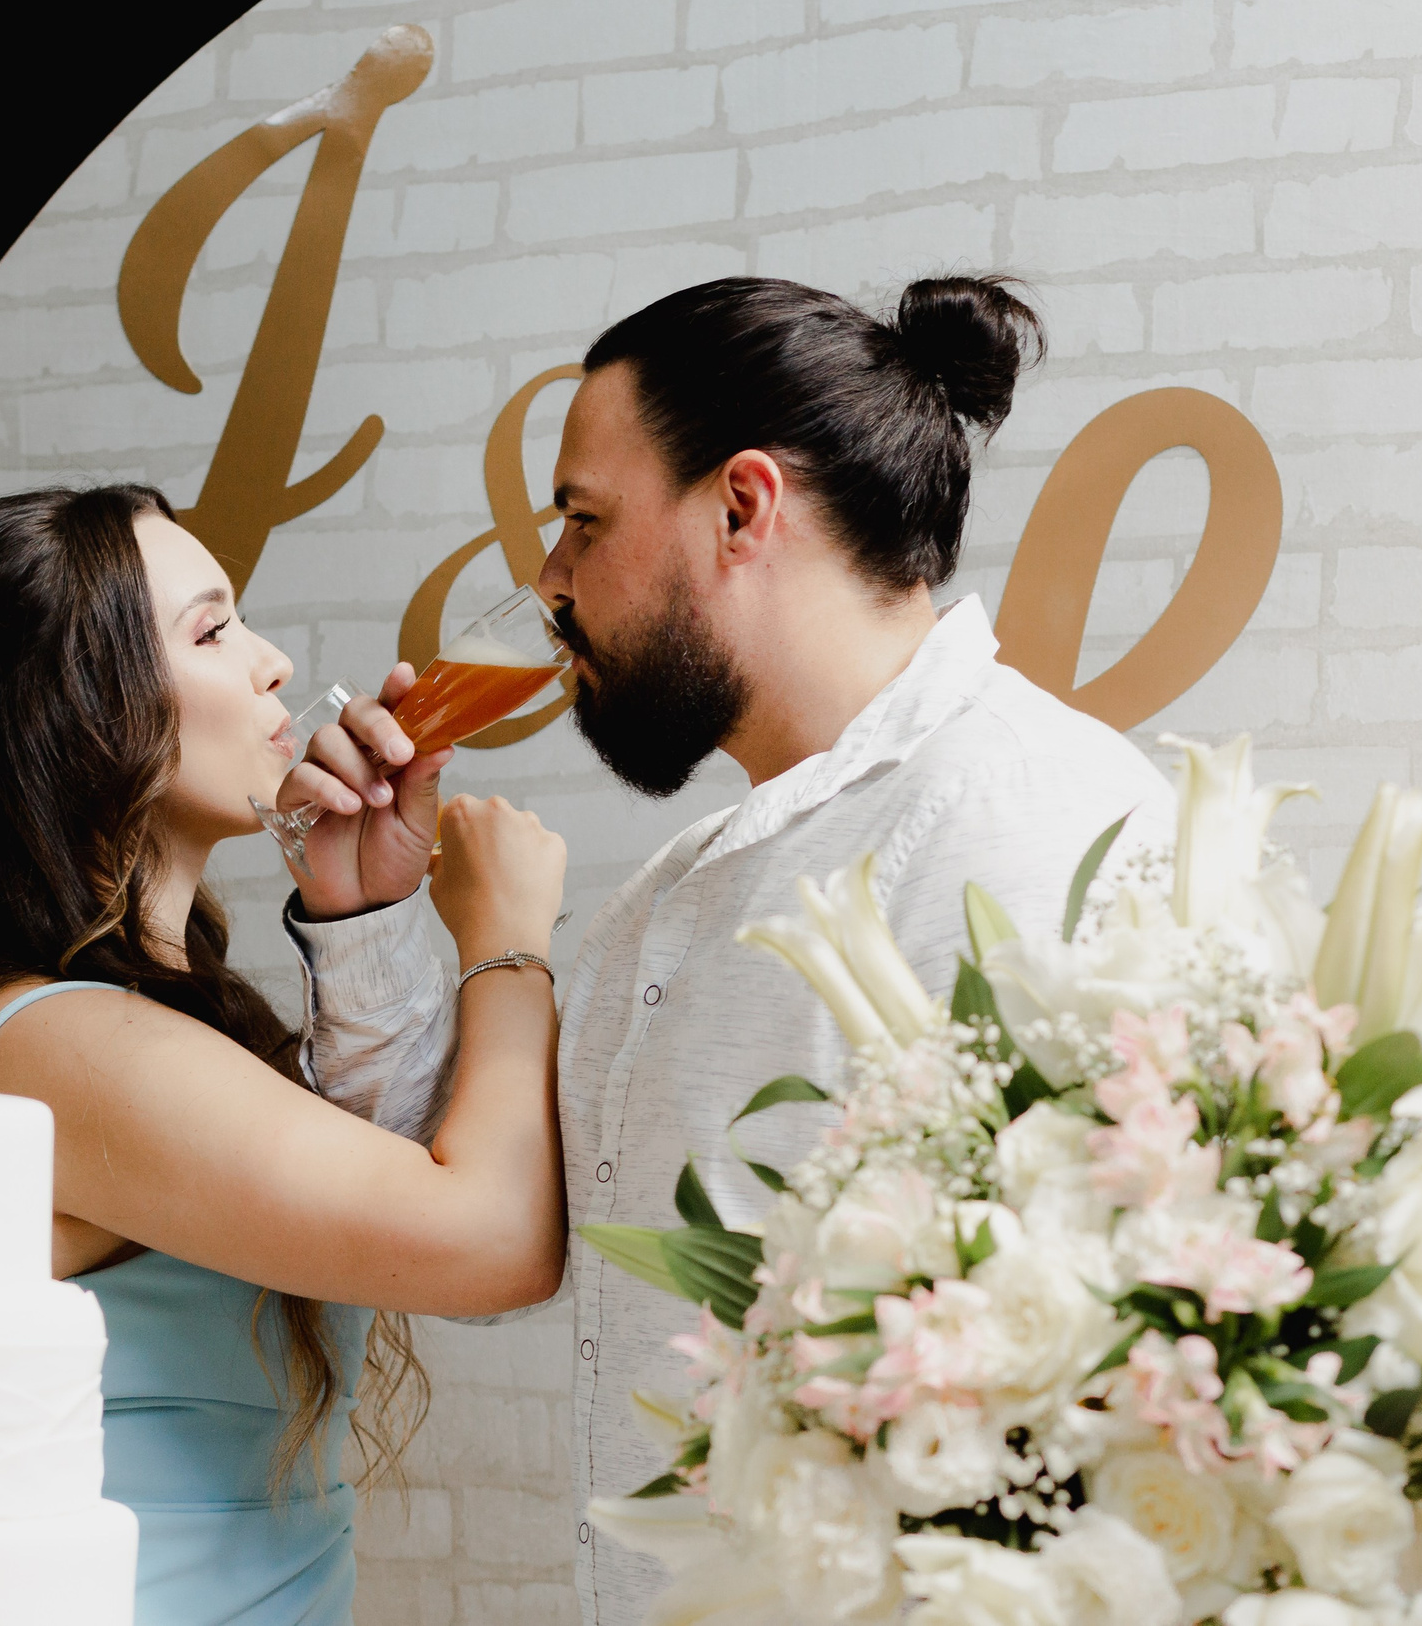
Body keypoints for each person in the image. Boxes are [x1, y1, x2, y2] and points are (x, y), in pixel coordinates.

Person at [276, 275, 1178, 1626]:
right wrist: (366, 912)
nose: (550, 582)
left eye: (582, 520)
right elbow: (470, 1238)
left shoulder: (1027, 823)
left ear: (744, 507)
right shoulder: (676, 895)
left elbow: (1128, 1393)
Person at [0, 484, 569, 1626]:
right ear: (81, 711)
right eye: (212, 631)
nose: (272, 662)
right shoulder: (59, 1044)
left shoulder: (118, 1029)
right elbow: (490, 1242)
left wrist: (357, 912)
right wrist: (506, 943)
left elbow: (385, 1208)